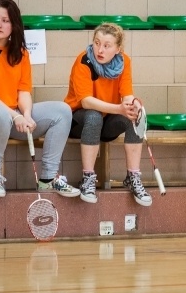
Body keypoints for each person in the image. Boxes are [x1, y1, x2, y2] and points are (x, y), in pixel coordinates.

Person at [0, 0, 80, 198]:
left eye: (5, 20)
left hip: (11, 116)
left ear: (14, 25)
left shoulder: (20, 53)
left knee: (62, 111)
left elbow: (23, 92)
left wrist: (27, 114)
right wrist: (15, 117)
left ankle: (48, 179)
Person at [64, 22, 153, 205]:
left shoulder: (124, 62)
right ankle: (88, 178)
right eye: (97, 43)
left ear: (118, 49)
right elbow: (86, 101)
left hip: (107, 120)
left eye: (106, 45)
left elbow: (126, 94)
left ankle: (133, 177)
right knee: (94, 116)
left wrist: (132, 105)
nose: (100, 50)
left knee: (131, 117)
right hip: (78, 119)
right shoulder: (83, 61)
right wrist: (119, 109)